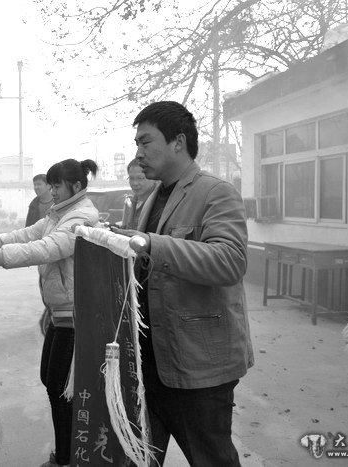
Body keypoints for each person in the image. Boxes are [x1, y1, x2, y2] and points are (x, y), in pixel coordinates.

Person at [113, 101, 254, 466]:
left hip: (198, 366)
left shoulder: (215, 192)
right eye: (137, 144)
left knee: (211, 458)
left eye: (146, 142)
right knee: (139, 456)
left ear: (178, 142)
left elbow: (230, 261)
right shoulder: (152, 198)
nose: (138, 153)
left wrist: (151, 244)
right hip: (150, 360)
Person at [0, 158, 99, 467]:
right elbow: (29, 234)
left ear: (76, 186)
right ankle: (71, 449)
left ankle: (67, 457)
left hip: (74, 317)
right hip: (58, 314)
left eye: (57, 186)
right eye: (51, 185)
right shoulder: (59, 213)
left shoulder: (81, 217)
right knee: (51, 380)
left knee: (59, 388)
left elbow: (47, 248)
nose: (51, 192)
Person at [120, 157, 157, 229]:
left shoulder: (159, 204)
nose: (135, 183)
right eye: (131, 178)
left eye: (140, 178)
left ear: (154, 178)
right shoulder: (131, 202)